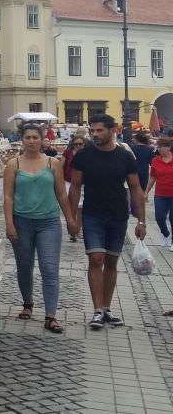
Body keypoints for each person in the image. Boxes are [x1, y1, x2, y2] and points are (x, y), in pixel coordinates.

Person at [69, 114, 146, 330]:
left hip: (118, 215)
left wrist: (141, 220)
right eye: (92, 130)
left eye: (99, 130)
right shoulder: (83, 156)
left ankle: (106, 308)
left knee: (111, 262)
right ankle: (96, 310)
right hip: (92, 214)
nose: (95, 134)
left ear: (113, 130)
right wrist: (71, 217)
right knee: (96, 258)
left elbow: (135, 188)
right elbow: (75, 186)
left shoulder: (124, 156)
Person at [3, 123, 77, 333]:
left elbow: (62, 194)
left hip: (49, 223)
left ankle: (50, 315)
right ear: (22, 139)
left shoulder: (53, 164)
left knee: (50, 268)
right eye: (28, 137)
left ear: (43, 139)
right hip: (21, 222)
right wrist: (9, 224)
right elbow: (7, 196)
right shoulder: (13, 164)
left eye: (36, 137)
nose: (32, 141)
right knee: (24, 267)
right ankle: (27, 303)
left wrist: (70, 220)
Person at [145, 137, 173, 249]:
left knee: (172, 218)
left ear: (168, 147)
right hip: (160, 194)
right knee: (159, 217)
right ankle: (165, 233)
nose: (159, 149)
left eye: (161, 147)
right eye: (158, 146)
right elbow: (152, 178)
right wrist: (146, 191)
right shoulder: (156, 160)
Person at [61, 135, 86, 241]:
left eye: (81, 144)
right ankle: (71, 228)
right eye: (76, 144)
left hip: (84, 183)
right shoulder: (67, 153)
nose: (78, 146)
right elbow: (61, 165)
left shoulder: (87, 154)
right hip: (69, 181)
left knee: (81, 208)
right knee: (71, 206)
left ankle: (78, 229)